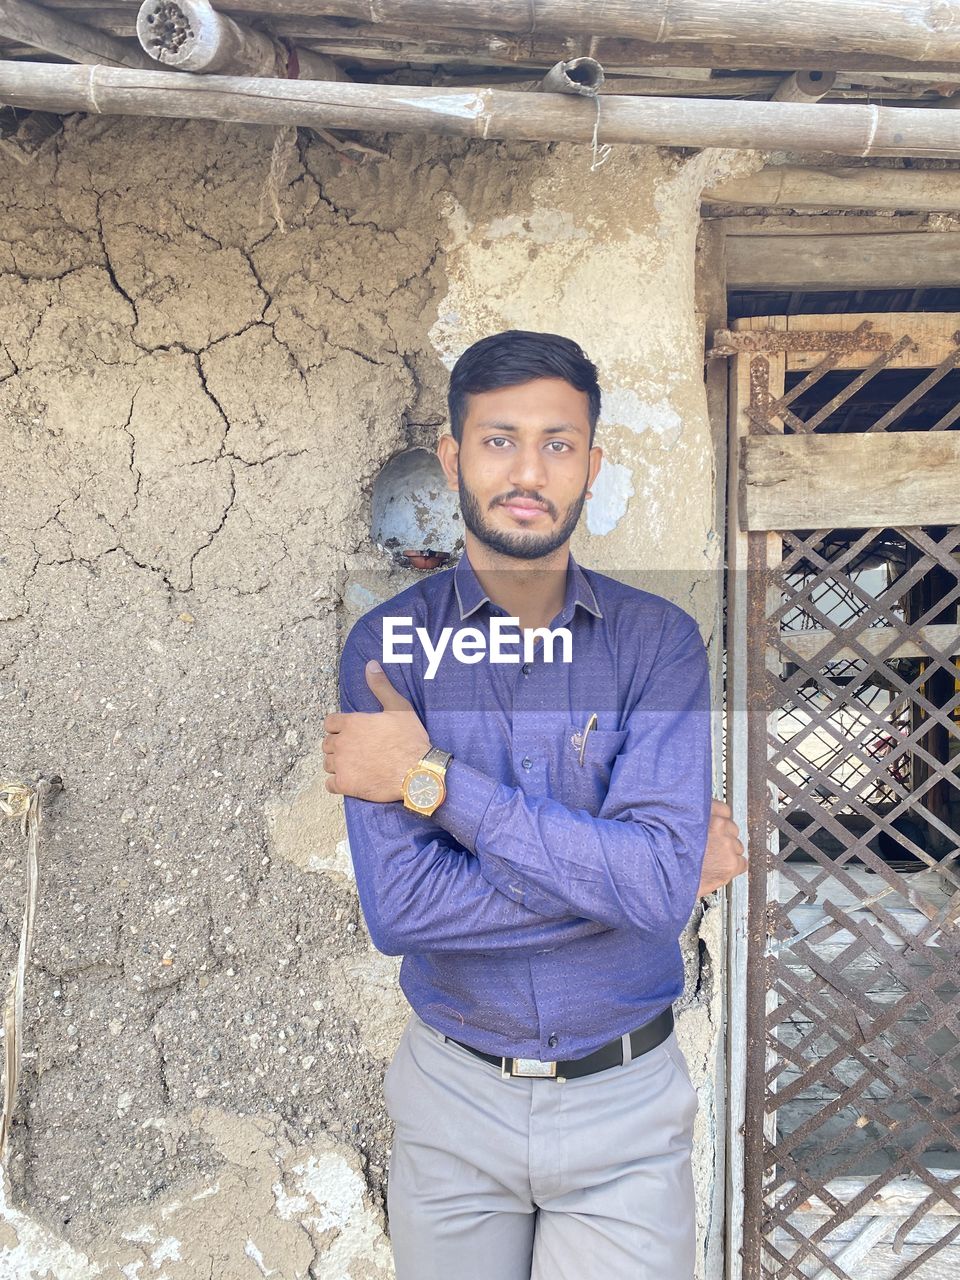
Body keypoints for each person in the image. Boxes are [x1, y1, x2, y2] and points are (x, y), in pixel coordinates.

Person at [322, 330, 746, 1280]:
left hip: (625, 1105)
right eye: (499, 439)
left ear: (591, 466)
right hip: (452, 1102)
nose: (528, 469)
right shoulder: (388, 649)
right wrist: (644, 879)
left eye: (558, 443)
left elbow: (648, 883)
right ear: (453, 459)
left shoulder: (660, 644)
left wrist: (432, 778)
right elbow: (404, 911)